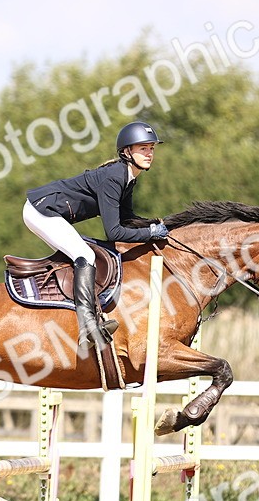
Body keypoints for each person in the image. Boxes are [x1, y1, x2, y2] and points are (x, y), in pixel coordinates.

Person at [23, 121, 170, 350]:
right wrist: (150, 233)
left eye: (151, 148)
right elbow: (113, 232)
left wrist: (161, 224)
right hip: (40, 211)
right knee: (85, 255)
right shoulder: (114, 177)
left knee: (84, 252)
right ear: (127, 151)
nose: (150, 153)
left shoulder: (128, 177)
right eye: (143, 148)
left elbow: (127, 218)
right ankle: (87, 327)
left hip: (49, 211)